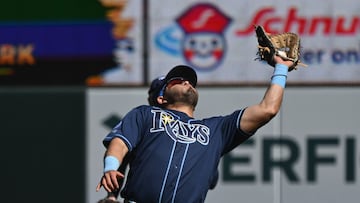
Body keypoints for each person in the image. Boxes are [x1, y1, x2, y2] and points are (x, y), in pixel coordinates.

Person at [96, 55, 294, 202]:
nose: (186, 82)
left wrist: (281, 69)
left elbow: (267, 109)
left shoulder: (216, 129)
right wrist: (111, 168)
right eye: (176, 80)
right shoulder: (145, 114)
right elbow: (120, 143)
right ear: (161, 98)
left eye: (190, 81)